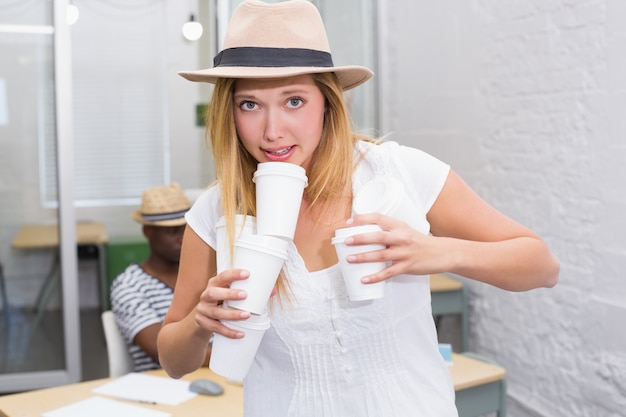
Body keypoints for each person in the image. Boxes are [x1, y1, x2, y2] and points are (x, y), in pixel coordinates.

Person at [157, 1, 560, 416]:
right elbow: (173, 362)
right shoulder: (217, 211)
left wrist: (436, 252)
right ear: (229, 112)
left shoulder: (398, 173)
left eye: (294, 101)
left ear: (328, 103)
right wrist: (200, 322)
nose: (272, 131)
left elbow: (542, 266)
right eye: (250, 105)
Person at [110, 182, 211, 371]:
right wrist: (231, 356)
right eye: (172, 232)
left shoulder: (205, 275)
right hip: (165, 386)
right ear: (148, 232)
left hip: (219, 381)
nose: (183, 239)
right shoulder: (129, 286)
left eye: (187, 230)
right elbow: (164, 352)